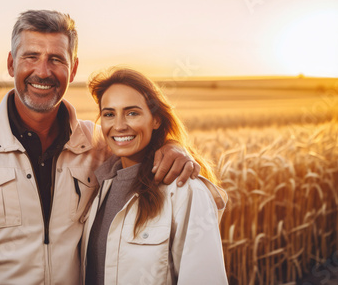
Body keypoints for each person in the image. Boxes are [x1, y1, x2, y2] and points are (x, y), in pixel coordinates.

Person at [0, 10, 200, 285]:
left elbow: (140, 146)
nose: (43, 72)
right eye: (31, 56)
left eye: (56, 59)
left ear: (73, 70)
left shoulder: (98, 144)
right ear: (11, 63)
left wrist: (173, 146)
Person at [81, 68, 229, 284]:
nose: (119, 126)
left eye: (132, 113)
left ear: (156, 119)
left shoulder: (184, 190)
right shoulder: (99, 185)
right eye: (109, 114)